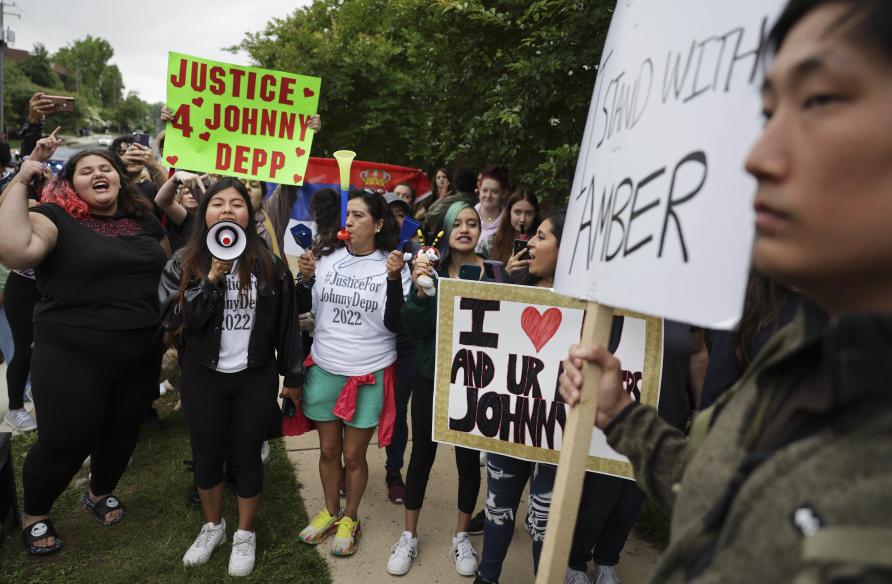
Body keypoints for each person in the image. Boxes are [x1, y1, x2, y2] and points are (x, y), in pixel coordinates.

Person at [559, 1, 892, 582]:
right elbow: (720, 492)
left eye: (819, 100)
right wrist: (623, 417)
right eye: (767, 113)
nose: (758, 157)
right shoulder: (805, 352)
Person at [0, 146, 171, 556]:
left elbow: (165, 267)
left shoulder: (142, 218)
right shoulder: (55, 217)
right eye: (85, 171)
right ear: (70, 183)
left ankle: (99, 492)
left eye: (105, 168)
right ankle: (35, 515)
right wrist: (22, 180)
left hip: (139, 350)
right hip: (72, 353)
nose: (98, 174)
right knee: (66, 440)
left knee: (122, 430)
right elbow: (15, 251)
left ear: (118, 178)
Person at [158, 178, 304, 577]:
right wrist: (210, 280)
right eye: (217, 203)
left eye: (236, 204)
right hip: (204, 377)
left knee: (247, 456)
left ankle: (244, 533)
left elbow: (288, 324)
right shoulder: (184, 262)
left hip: (253, 377)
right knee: (206, 456)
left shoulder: (269, 264)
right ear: (205, 213)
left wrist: (292, 376)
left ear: (249, 213)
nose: (227, 210)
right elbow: (172, 318)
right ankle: (213, 527)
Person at [290, 189, 410, 556]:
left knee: (354, 457)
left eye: (359, 216)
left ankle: (350, 518)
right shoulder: (326, 259)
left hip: (368, 372)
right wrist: (305, 280)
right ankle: (330, 511)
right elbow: (303, 312)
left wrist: (392, 279)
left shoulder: (392, 265)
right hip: (326, 367)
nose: (350, 221)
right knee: (328, 451)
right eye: (349, 215)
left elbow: (395, 324)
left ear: (377, 224)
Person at [386, 201, 487, 577]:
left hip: (474, 384)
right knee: (422, 458)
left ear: (480, 231)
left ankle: (461, 536)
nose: (465, 228)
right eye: (457, 223)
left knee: (467, 463)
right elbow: (412, 326)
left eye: (472, 223)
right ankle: (409, 535)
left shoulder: (492, 274)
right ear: (445, 229)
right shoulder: (430, 271)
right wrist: (422, 293)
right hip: (431, 378)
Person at [481, 189, 540, 269]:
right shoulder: (489, 242)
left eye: (528, 213)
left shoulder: (541, 246)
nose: (522, 219)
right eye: (517, 212)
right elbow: (480, 278)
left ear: (535, 214)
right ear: (509, 213)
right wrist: (507, 272)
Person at [423, 167, 479, 237]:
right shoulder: (480, 201)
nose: (441, 180)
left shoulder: (451, 200)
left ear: (454, 182)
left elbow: (430, 217)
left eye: (444, 177)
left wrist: (442, 199)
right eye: (438, 177)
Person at [473, 166, 511, 254]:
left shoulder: (509, 222)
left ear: (503, 193)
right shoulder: (466, 216)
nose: (488, 195)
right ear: (479, 190)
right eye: (485, 190)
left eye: (494, 192)